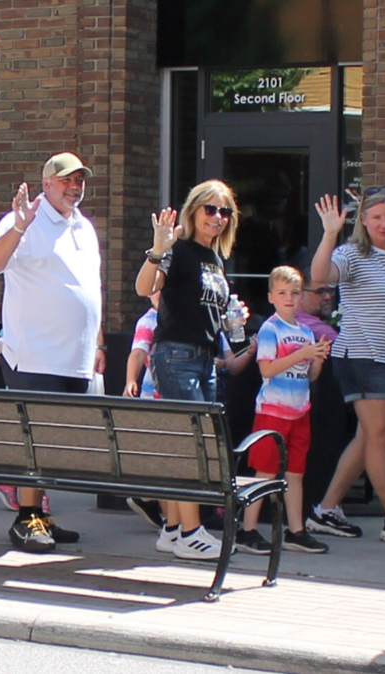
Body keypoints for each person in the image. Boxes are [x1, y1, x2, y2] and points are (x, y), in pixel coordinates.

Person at [0, 153, 101, 553]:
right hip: (34, 355)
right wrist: (18, 225)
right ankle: (25, 519)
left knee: (54, 443)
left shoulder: (84, 227)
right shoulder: (26, 221)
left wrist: (98, 342)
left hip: (75, 358)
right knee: (35, 439)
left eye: (79, 180)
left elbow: (89, 290)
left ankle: (41, 517)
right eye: (66, 180)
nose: (74, 187)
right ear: (46, 183)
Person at [306, 190, 385, 543]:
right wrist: (330, 233)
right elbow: (320, 276)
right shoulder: (351, 253)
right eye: (376, 218)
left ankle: (326, 510)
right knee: (381, 434)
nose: (384, 224)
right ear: (363, 221)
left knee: (368, 437)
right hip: (361, 354)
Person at [136, 178, 244, 561]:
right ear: (193, 211)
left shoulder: (215, 259)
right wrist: (158, 249)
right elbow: (144, 287)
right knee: (193, 445)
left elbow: (211, 310)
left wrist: (234, 317)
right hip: (176, 355)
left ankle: (173, 529)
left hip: (204, 357)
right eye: (210, 209)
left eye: (224, 211)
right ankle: (190, 531)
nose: (217, 217)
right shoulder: (179, 251)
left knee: (194, 443)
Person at [235, 266, 331, 555]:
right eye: (282, 293)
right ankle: (247, 530)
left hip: (299, 410)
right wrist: (301, 355)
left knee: (295, 473)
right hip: (272, 412)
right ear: (271, 297)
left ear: (301, 297)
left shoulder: (306, 332)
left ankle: (296, 530)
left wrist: (317, 360)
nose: (289, 298)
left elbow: (310, 375)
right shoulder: (270, 329)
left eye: (294, 293)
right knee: (264, 471)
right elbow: (266, 368)